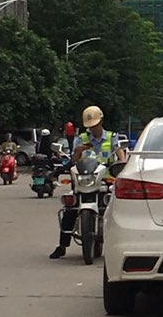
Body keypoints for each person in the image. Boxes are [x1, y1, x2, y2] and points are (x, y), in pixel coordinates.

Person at [49, 105, 127, 258]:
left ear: (101, 122)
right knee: (70, 208)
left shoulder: (111, 137)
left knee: (117, 206)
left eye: (95, 125)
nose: (93, 128)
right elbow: (73, 160)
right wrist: (78, 151)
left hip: (106, 180)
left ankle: (123, 244)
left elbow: (120, 153)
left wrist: (122, 163)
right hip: (85, 180)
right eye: (90, 126)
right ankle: (62, 245)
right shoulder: (82, 138)